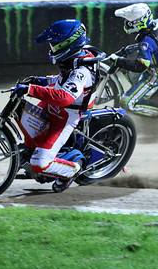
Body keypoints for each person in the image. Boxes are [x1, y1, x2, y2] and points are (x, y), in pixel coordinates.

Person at [14, 19, 102, 192]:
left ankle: (71, 171)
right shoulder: (74, 58)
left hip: (66, 116)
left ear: (68, 43)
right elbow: (61, 81)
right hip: (52, 105)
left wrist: (32, 89)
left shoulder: (81, 71)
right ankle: (34, 151)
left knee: (40, 163)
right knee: (23, 117)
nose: (52, 49)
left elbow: (64, 97)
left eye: (55, 45)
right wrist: (42, 80)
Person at [108, 3, 158, 118]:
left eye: (130, 22)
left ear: (139, 22)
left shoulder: (146, 41)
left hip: (154, 74)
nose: (126, 24)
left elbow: (141, 66)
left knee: (126, 102)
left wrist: (118, 61)